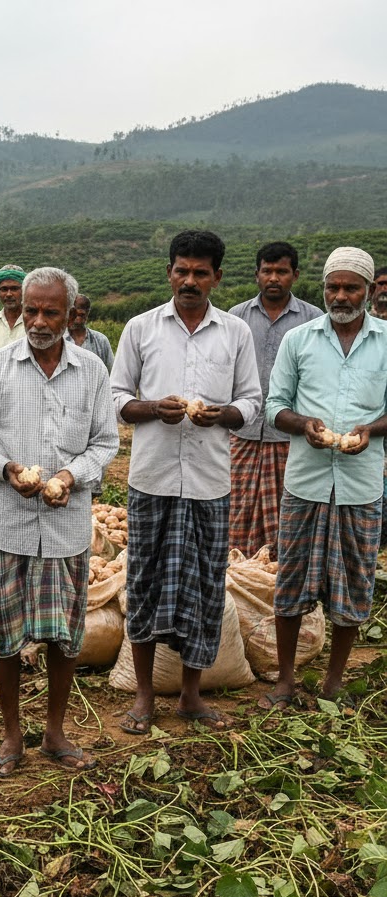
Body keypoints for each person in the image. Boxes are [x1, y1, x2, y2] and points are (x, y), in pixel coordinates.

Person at [0, 268, 118, 775]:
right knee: (5, 635)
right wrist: (7, 470)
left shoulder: (92, 370)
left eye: (51, 312)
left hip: (66, 526)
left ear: (71, 313)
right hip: (8, 523)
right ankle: (11, 737)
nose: (39, 321)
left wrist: (72, 476)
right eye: (31, 310)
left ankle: (54, 732)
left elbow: (105, 443)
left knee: (63, 636)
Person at [110, 230, 262, 734]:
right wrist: (154, 407)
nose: (190, 280)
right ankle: (146, 696)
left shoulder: (235, 333)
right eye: (182, 270)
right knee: (145, 582)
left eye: (201, 272)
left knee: (204, 588)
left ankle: (192, 696)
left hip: (209, 482)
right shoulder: (141, 328)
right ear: (169, 272)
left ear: (217, 276)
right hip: (152, 479)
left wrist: (223, 415)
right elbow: (114, 398)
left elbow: (252, 402)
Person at [260, 246, 387, 709]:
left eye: (351, 287)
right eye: (333, 286)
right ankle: (286, 681)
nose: (340, 295)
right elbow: (275, 407)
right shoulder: (300, 339)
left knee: (353, 580)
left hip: (361, 484)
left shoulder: (386, 340)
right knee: (291, 580)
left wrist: (370, 431)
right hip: (306, 481)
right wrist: (305, 426)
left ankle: (335, 680)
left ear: (369, 291)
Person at [227, 243, 322, 557]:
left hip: (289, 436)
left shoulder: (314, 320)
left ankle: (277, 580)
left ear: (294, 275)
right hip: (241, 433)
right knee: (235, 510)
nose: (274, 277)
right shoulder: (235, 318)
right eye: (267, 271)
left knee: (285, 514)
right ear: (256, 275)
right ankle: (237, 575)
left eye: (282, 271)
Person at [64, 294, 114, 371]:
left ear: (87, 313)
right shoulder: (58, 340)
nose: (77, 319)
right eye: (73, 314)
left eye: (81, 315)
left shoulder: (101, 340)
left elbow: (112, 371)